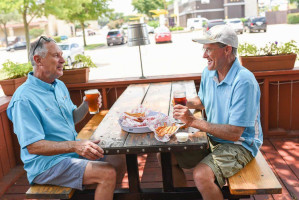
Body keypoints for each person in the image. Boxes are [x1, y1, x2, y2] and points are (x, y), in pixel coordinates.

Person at [7, 36, 126, 200]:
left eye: (61, 54)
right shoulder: (24, 99)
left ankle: (95, 191)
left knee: (118, 157)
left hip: (70, 155)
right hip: (46, 165)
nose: (63, 60)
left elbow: (72, 118)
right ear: (38, 60)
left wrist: (85, 105)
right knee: (107, 173)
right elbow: (33, 146)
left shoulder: (58, 85)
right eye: (56, 55)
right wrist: (75, 146)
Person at [172, 25, 263, 200]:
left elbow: (235, 133)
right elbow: (203, 101)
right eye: (204, 49)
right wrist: (184, 104)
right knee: (168, 158)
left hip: (241, 146)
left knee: (201, 175)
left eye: (209, 49)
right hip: (213, 139)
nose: (204, 55)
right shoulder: (209, 72)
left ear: (227, 50)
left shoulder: (244, 81)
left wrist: (192, 120)